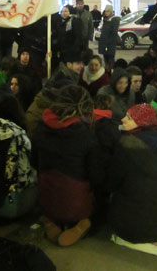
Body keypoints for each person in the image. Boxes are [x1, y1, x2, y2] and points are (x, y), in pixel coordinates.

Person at [32, 85, 104, 247]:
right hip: (76, 203)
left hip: (46, 199)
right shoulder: (85, 135)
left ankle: (50, 221)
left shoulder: (40, 127)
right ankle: (82, 223)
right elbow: (96, 175)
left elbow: (33, 162)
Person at [106, 104, 157, 246]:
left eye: (129, 118)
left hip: (129, 228)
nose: (123, 120)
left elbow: (111, 183)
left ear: (142, 122)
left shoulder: (127, 147)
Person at [98, 5, 120, 70]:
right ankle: (107, 71)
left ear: (111, 12)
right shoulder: (104, 20)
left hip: (110, 44)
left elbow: (114, 32)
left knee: (110, 59)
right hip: (104, 43)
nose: (106, 13)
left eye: (108, 11)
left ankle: (110, 72)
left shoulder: (114, 20)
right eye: (105, 11)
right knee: (105, 59)